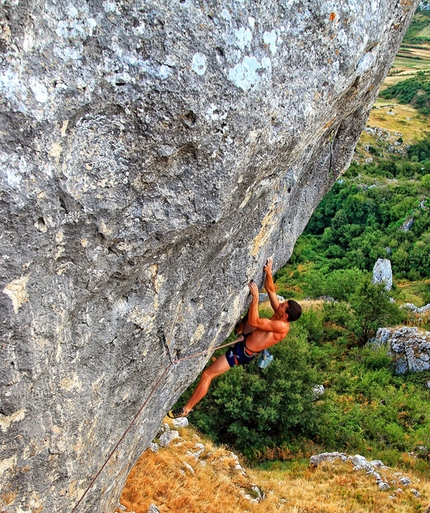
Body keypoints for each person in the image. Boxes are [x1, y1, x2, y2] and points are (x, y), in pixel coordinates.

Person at [168, 257, 302, 418]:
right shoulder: (280, 315)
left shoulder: (281, 326)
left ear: (285, 315)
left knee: (207, 375)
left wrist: (255, 298)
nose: (279, 304)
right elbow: (271, 290)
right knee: (252, 317)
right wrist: (268, 270)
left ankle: (186, 409)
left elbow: (254, 321)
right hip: (247, 337)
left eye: (282, 306)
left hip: (242, 353)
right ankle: (239, 329)